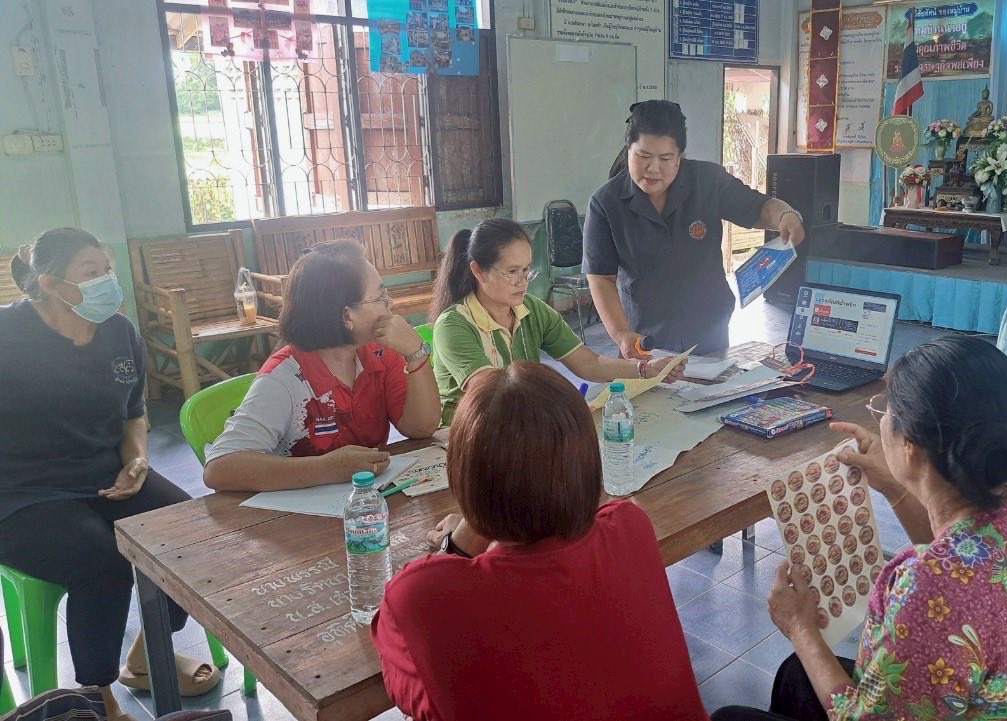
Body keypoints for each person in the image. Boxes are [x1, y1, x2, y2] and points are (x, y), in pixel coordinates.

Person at [713, 336, 1007, 721]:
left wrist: (800, 628)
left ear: (909, 443)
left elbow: (863, 717)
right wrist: (895, 486)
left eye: (886, 410)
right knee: (797, 675)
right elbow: (960, 563)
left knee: (731, 717)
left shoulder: (924, 587)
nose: (881, 421)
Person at [370, 362, 708, 721]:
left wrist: (468, 533)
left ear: (461, 473)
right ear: (587, 460)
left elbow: (412, 693)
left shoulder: (421, 594)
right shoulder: (629, 524)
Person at [0, 229, 221, 721]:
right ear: (50, 283)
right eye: (91, 272)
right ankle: (96, 695)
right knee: (104, 561)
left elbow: (133, 414)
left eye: (107, 269)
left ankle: (146, 656)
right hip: (22, 491)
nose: (106, 281)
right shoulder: (7, 336)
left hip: (106, 474)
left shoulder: (119, 333)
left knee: (193, 534)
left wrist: (136, 459)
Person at [203, 240, 441, 491]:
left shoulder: (380, 352)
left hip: (366, 502)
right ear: (347, 316)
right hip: (295, 511)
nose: (389, 304)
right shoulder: (285, 377)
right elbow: (219, 468)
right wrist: (327, 468)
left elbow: (421, 428)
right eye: (381, 297)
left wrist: (415, 353)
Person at [583, 100, 807, 356]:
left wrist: (785, 216)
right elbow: (601, 278)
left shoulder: (708, 181)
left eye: (665, 158)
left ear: (679, 156)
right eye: (643, 156)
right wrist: (621, 334)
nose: (653, 168)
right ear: (628, 151)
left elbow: (759, 207)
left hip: (709, 331)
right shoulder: (605, 203)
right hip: (645, 337)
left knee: (712, 382)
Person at [430, 218, 683, 425]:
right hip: (469, 436)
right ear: (478, 270)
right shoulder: (454, 325)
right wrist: (560, 407)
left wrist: (644, 370)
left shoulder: (531, 309)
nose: (522, 282)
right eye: (512, 272)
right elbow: (492, 395)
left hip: (520, 426)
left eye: (526, 270)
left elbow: (590, 363)